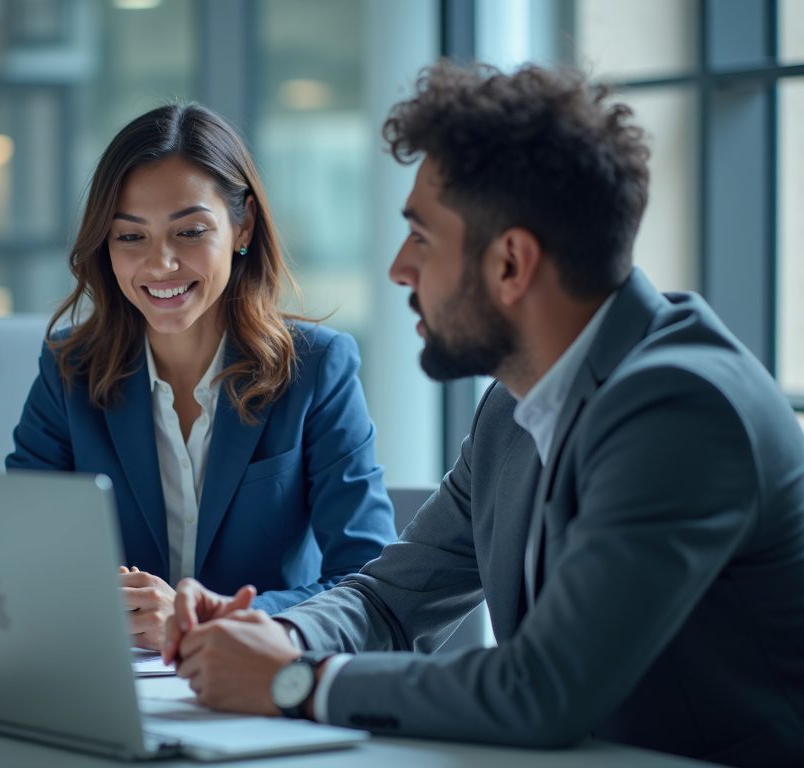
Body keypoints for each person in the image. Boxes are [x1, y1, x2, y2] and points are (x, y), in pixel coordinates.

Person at [160, 61, 804, 768]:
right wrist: (278, 636)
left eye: (423, 238)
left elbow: (544, 688)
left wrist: (291, 681)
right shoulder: (516, 405)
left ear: (510, 264)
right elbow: (387, 600)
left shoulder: (681, 409)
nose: (400, 269)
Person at [7, 104, 396, 651]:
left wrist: (205, 619)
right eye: (131, 238)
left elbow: (368, 586)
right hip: (113, 684)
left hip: (263, 686)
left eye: (189, 232)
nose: (161, 263)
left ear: (243, 226)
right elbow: (18, 558)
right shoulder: (69, 370)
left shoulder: (317, 368)